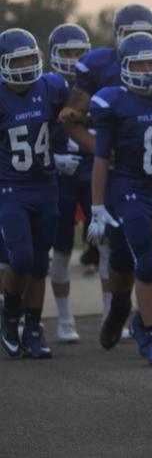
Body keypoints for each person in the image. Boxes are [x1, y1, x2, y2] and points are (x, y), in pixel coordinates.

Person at [58, 4, 152, 350]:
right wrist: (104, 148)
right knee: (125, 258)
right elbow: (69, 117)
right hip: (124, 176)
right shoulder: (104, 75)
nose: (141, 48)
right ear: (118, 39)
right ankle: (120, 312)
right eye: (130, 37)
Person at [88, 32, 152, 367]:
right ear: (124, 67)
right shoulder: (113, 101)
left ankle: (128, 310)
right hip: (129, 189)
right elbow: (100, 158)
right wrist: (97, 206)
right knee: (147, 262)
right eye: (140, 64)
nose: (147, 70)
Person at [0, 28, 68, 359]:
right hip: (11, 188)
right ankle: (10, 312)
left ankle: (34, 326)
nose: (26, 66)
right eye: (18, 60)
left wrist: (69, 148)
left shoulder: (52, 87)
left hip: (46, 186)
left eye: (30, 58)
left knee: (40, 262)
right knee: (21, 257)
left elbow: (69, 118)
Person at [46, 23, 93, 343]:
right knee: (61, 249)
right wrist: (51, 158)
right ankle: (64, 317)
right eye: (68, 53)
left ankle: (110, 313)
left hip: (92, 171)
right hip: (59, 177)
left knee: (108, 245)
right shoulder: (46, 87)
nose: (75, 59)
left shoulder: (97, 85)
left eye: (80, 53)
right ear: (53, 56)